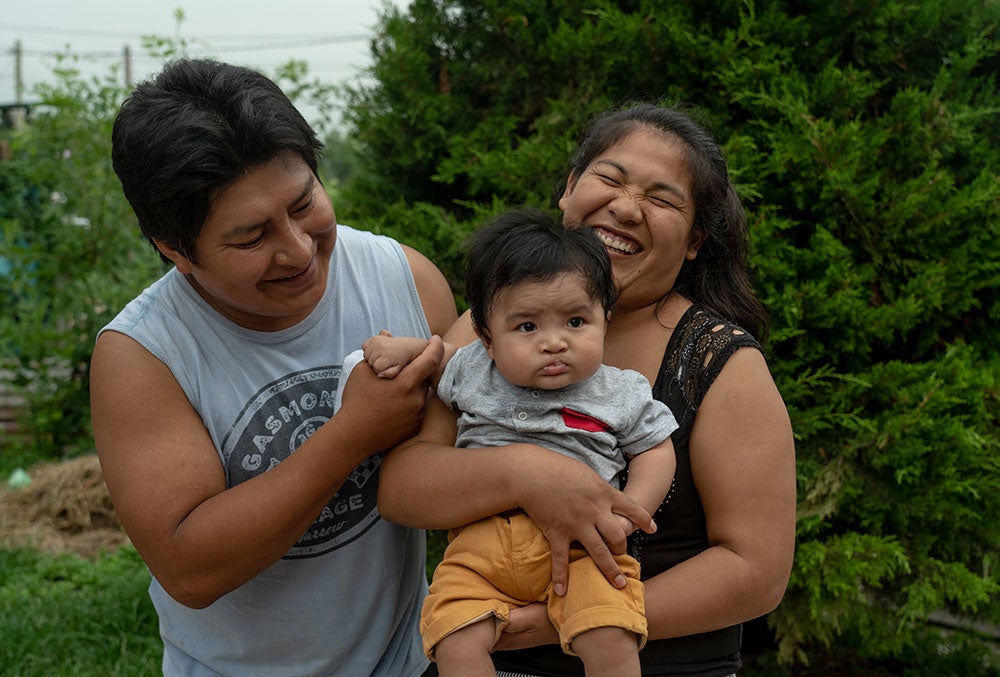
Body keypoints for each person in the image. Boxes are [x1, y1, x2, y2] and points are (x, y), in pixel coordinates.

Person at [376, 104, 797, 675]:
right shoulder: (493, 327)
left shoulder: (720, 362)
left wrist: (567, 620)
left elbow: (756, 572)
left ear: (695, 239)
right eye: (610, 178)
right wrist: (526, 472)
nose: (626, 207)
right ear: (570, 189)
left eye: (662, 198)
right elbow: (402, 489)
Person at [89, 58, 457, 676]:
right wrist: (350, 435)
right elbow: (190, 568)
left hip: (413, 662)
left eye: (304, 202)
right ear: (176, 250)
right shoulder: (143, 355)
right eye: (251, 237)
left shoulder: (405, 279)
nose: (297, 249)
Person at [362, 207, 678, 676]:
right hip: (480, 549)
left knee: (611, 630)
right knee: (453, 635)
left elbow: (655, 447)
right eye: (527, 327)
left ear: (604, 319)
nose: (554, 343)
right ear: (488, 339)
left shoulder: (620, 390)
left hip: (583, 545)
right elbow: (437, 356)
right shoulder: (475, 371)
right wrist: (401, 350)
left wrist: (627, 513)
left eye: (575, 321)